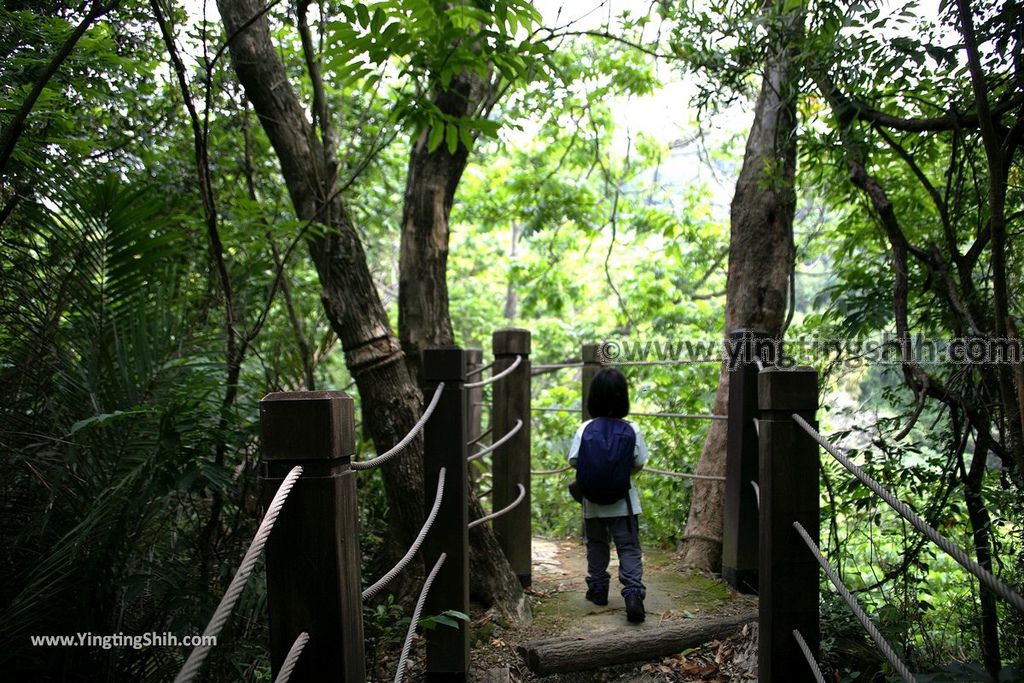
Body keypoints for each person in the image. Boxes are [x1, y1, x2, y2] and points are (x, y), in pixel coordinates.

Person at [568, 367, 648, 623]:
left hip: (592, 504)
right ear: (623, 397)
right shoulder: (632, 428)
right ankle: (633, 594)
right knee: (628, 547)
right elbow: (639, 462)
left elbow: (573, 460)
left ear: (594, 398)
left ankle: (598, 589)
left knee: (596, 546)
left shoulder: (585, 428)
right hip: (624, 504)